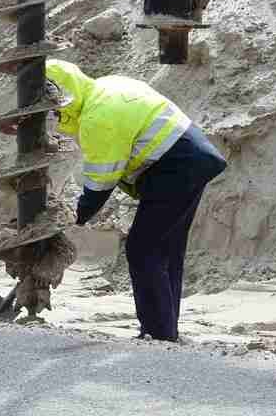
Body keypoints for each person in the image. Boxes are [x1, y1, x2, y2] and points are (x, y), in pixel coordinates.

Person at [46, 59, 227, 342]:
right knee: (167, 248)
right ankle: (166, 331)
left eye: (54, 107)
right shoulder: (109, 84)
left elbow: (100, 182)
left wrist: (73, 217)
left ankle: (157, 333)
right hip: (196, 157)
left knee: (143, 250)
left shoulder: (97, 116)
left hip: (174, 166)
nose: (54, 114)